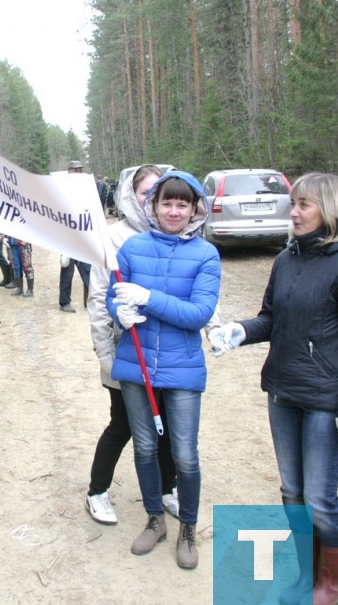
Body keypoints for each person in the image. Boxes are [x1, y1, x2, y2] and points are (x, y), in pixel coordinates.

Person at [209, 172, 338, 605]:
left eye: (304, 204)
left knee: (320, 496)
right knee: (292, 491)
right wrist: (239, 331)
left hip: (326, 400)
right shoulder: (287, 259)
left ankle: (332, 581)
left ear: (330, 209)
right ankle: (307, 573)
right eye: (293, 203)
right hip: (283, 392)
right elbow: (271, 317)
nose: (294, 212)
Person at [106, 170, 220, 570]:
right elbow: (112, 293)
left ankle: (187, 527)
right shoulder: (133, 248)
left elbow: (199, 314)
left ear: (195, 210)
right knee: (145, 448)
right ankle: (155, 519)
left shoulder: (206, 255)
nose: (174, 211)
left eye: (182, 204)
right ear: (152, 206)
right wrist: (118, 310)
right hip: (136, 367)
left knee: (185, 455)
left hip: (183, 370)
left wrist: (149, 298)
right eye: (166, 202)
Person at [86, 164, 179, 526]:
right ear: (130, 195)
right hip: (125, 352)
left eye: (158, 193)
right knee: (123, 423)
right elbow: (97, 298)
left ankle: (167, 488)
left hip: (165, 355)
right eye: (145, 193)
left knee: (168, 423)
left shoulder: (175, 235)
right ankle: (96, 491)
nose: (152, 200)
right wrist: (106, 353)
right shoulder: (113, 238)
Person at [60, 159, 91, 313]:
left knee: (88, 269)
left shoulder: (86, 188)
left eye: (80, 170)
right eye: (75, 170)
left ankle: (90, 301)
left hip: (84, 235)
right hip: (67, 236)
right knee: (67, 269)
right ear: (69, 171)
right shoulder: (62, 188)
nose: (78, 172)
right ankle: (64, 302)